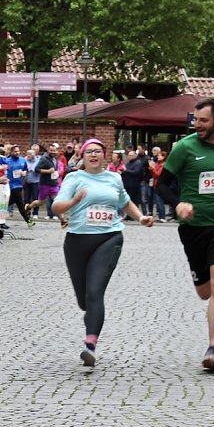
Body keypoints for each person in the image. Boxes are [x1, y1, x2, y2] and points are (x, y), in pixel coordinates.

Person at [155, 97, 214, 372]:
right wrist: (178, 203)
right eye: (195, 120)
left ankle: (213, 347)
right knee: (204, 291)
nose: (198, 125)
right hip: (194, 228)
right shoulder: (183, 148)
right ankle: (203, 285)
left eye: (204, 120)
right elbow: (162, 185)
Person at [52, 139, 154, 366]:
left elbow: (125, 203)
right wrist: (74, 201)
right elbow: (56, 207)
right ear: (82, 156)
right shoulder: (74, 178)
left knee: (95, 291)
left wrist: (141, 218)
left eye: (98, 151)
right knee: (84, 300)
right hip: (77, 241)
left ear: (105, 155)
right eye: (89, 152)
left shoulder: (114, 178)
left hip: (109, 238)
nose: (94, 155)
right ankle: (91, 318)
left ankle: (90, 345)